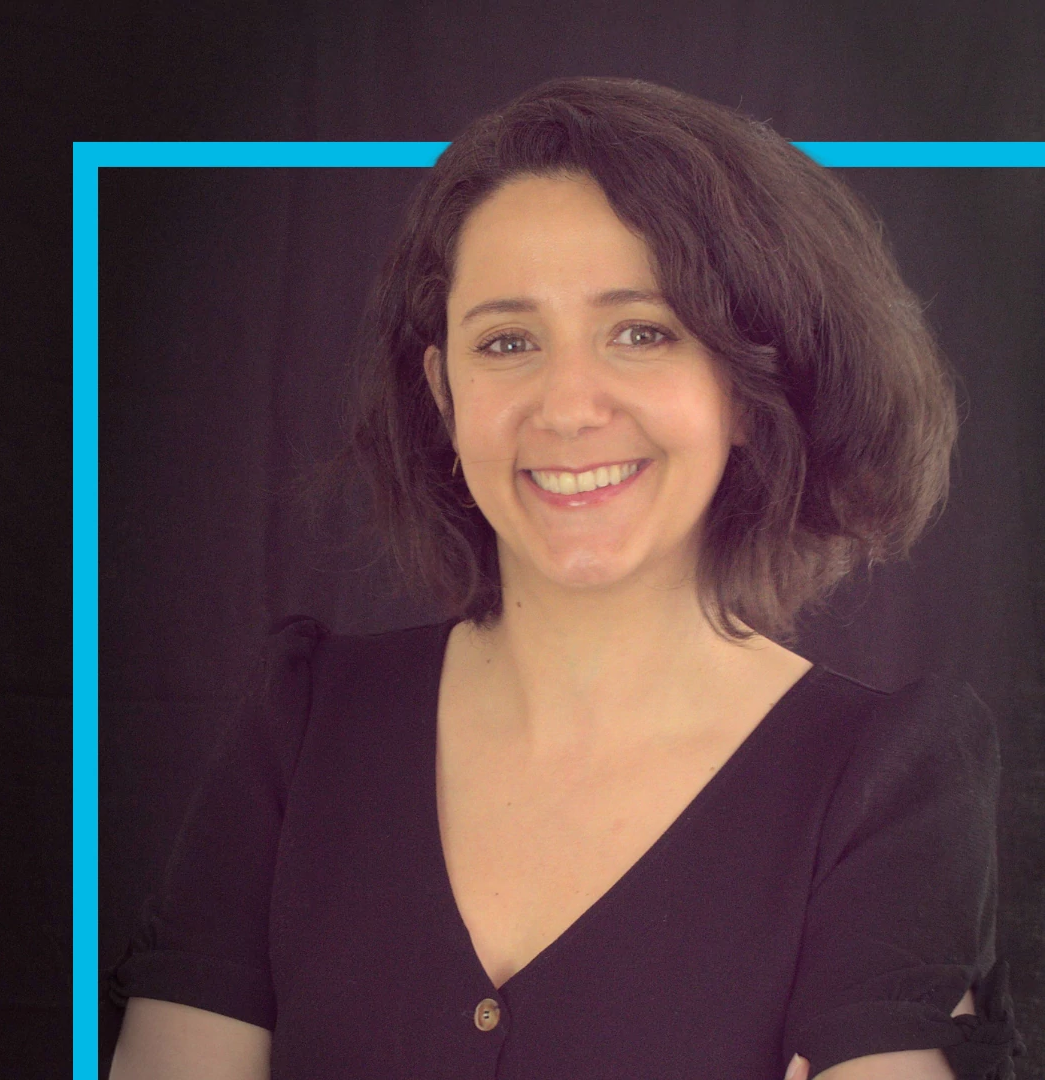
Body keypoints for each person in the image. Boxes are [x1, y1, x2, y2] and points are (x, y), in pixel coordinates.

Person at [106, 76, 1024, 1079]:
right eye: (508, 342)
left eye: (642, 332)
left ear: (747, 384)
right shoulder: (302, 724)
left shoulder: (886, 784)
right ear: (444, 394)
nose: (568, 405)